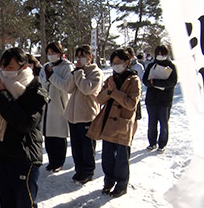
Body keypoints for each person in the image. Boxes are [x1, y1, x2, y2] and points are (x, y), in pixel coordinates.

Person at [0, 47, 49, 208]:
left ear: (24, 67)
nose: (5, 71)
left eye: (10, 68)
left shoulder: (35, 90)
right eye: (3, 67)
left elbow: (26, 123)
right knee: (7, 202)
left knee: (24, 203)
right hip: (2, 154)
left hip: (25, 156)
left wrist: (3, 97)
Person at [86, 48, 141, 198]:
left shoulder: (133, 80)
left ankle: (121, 185)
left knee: (122, 159)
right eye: (114, 62)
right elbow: (99, 99)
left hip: (123, 123)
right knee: (108, 158)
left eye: (119, 62)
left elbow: (131, 103)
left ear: (127, 63)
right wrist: (109, 91)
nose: (116, 65)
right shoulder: (111, 79)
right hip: (108, 123)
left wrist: (115, 92)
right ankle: (108, 181)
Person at [49, 44, 103, 184]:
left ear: (90, 57)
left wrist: (79, 73)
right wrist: (75, 73)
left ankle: (88, 171)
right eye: (78, 56)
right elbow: (68, 88)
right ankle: (79, 170)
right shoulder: (77, 71)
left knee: (87, 147)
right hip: (73, 115)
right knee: (77, 147)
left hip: (86, 115)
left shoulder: (95, 72)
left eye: (83, 56)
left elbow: (87, 89)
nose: (80, 59)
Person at [39, 42, 72, 172]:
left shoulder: (67, 67)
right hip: (47, 104)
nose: (51, 56)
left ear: (60, 53)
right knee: (48, 135)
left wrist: (52, 76)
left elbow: (65, 86)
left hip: (59, 103)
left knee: (59, 134)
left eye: (54, 53)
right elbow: (41, 83)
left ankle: (59, 161)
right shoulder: (45, 66)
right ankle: (52, 161)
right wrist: (47, 79)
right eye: (49, 53)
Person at [143, 45, 178, 153]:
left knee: (164, 123)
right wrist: (150, 83)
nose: (160, 56)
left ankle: (162, 144)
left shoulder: (171, 66)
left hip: (165, 100)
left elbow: (172, 82)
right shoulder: (151, 66)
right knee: (152, 123)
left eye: (162, 54)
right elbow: (145, 80)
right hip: (151, 100)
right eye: (158, 54)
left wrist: (157, 83)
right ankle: (152, 142)